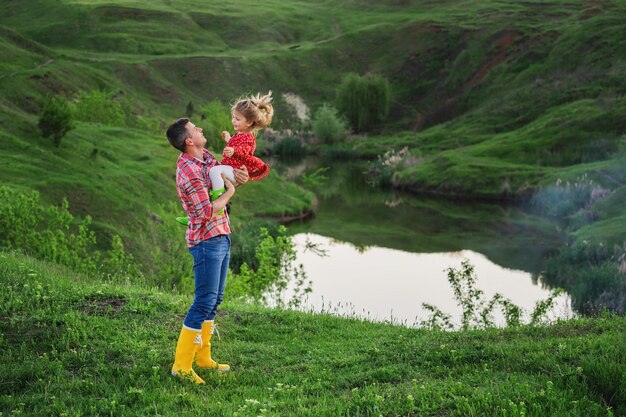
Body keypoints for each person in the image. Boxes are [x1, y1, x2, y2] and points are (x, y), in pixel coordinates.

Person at [166, 117, 249, 384]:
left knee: (215, 300)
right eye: (196, 129)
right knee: (203, 301)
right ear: (188, 140)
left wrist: (241, 176)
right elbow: (205, 212)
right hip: (206, 240)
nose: (201, 129)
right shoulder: (188, 170)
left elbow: (225, 176)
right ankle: (181, 365)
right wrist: (231, 191)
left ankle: (203, 358)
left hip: (221, 234)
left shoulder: (206, 158)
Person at [176, 91, 273, 224]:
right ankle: (195, 217)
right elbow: (236, 145)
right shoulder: (239, 135)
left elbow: (244, 150)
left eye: (237, 119)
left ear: (249, 122)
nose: (233, 120)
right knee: (211, 180)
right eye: (233, 117)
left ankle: (217, 203)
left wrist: (233, 149)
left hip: (233, 169)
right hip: (231, 168)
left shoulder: (248, 136)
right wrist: (229, 139)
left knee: (215, 171)